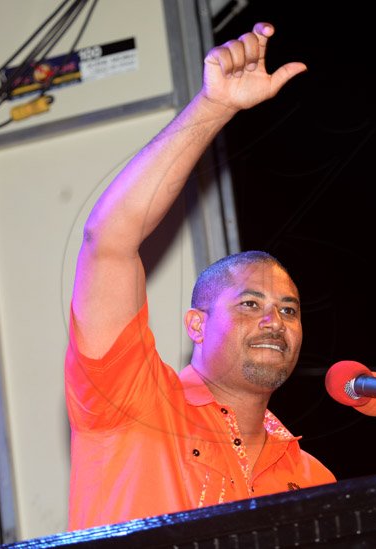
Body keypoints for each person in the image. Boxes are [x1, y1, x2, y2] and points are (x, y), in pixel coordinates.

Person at [65, 21, 336, 531]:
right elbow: (109, 241)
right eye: (250, 304)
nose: (275, 320)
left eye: (289, 309)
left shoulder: (314, 479)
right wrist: (215, 106)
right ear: (196, 323)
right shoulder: (130, 400)